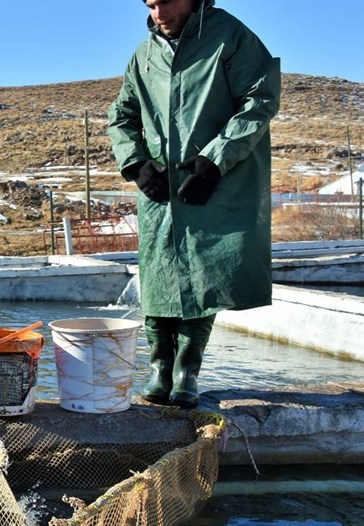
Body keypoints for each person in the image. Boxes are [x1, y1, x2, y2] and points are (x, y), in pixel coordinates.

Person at [107, 0, 281, 408]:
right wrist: (136, 164)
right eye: (150, 4)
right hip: (161, 189)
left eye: (166, 2)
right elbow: (122, 114)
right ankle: (158, 368)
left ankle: (187, 370)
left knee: (203, 275)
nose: (158, 13)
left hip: (212, 182)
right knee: (158, 273)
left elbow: (259, 99)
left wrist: (216, 160)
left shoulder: (230, 37)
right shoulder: (144, 54)